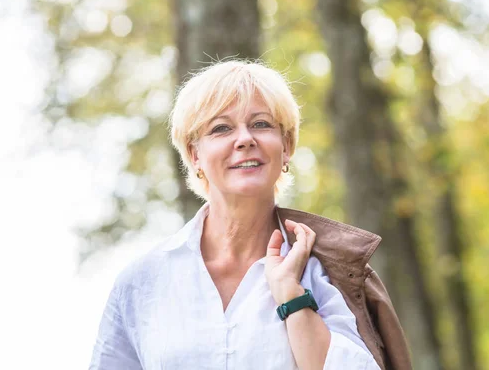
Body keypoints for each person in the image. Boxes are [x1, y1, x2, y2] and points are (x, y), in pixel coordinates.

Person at [89, 60, 393, 369]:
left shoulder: (325, 271)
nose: (245, 139)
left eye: (261, 124)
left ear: (285, 146)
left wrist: (293, 296)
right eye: (221, 128)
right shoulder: (142, 283)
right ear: (195, 155)